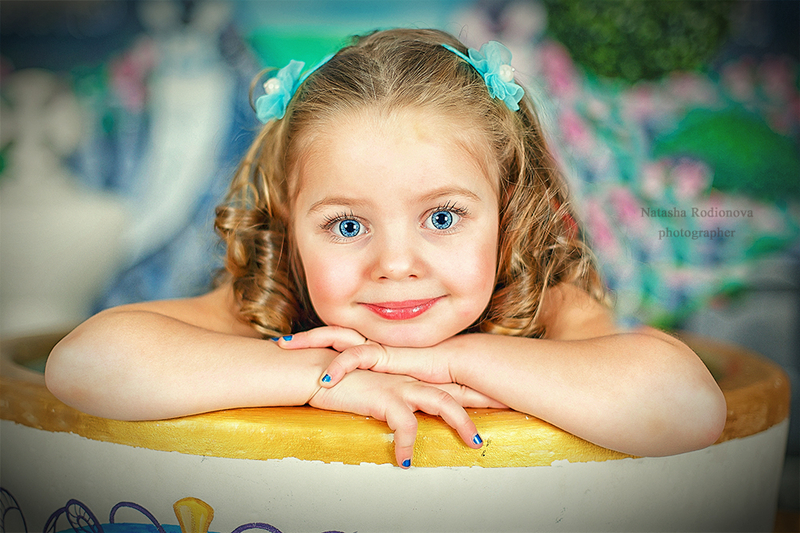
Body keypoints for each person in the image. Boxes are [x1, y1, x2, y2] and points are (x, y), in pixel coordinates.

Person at [45, 28, 726, 469]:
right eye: (347, 226)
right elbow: (86, 362)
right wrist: (327, 378)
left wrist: (445, 360)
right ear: (288, 228)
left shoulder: (540, 303)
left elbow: (688, 405)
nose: (396, 265)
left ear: (507, 212)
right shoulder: (274, 306)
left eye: (442, 217)